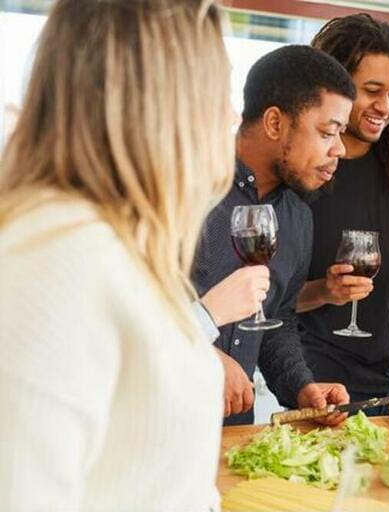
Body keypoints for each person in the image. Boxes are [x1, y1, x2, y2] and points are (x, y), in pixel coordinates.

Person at [0, 0, 234, 509]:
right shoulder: (58, 256)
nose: (233, 117)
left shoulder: (119, 245)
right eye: (221, 92)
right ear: (168, 105)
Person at [192, 45, 355, 425]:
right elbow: (137, 315)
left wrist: (302, 388)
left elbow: (276, 320)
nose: (340, 150)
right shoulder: (185, 188)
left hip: (233, 433)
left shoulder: (298, 216)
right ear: (275, 123)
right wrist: (204, 356)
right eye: (328, 132)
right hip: (155, 430)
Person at [296, 14, 389, 413]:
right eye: (373, 91)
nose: (386, 107)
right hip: (325, 379)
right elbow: (272, 296)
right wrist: (324, 291)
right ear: (336, 86)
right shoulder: (304, 168)